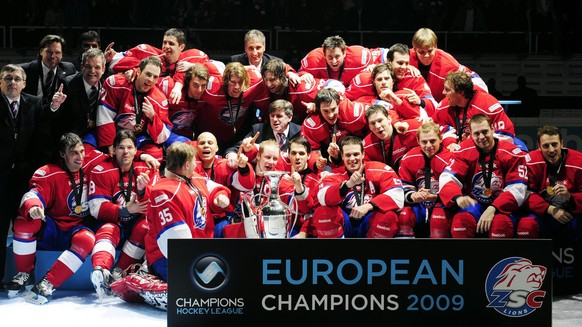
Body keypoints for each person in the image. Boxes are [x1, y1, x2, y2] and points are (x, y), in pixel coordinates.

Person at [108, 142, 230, 310]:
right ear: (186, 165)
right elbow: (175, 244)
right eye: (194, 161)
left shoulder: (194, 179)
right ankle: (141, 280)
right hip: (167, 257)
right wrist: (194, 268)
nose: (197, 165)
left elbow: (214, 187)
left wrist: (220, 196)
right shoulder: (164, 192)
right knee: (195, 292)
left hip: (198, 253)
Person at [6, 133, 101, 304]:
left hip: (76, 228)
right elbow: (33, 193)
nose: (80, 157)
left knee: (87, 240)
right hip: (53, 228)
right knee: (24, 222)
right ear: (63, 154)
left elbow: (121, 153)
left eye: (81, 151)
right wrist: (34, 205)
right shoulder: (48, 172)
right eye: (74, 153)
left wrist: (143, 155)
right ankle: (25, 274)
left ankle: (48, 282)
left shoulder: (92, 163)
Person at [87, 130, 158, 299]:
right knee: (109, 228)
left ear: (135, 150)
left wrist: (142, 191)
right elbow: (96, 208)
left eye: (129, 148)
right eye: (121, 148)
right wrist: (125, 210)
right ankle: (100, 270)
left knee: (146, 226)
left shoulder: (147, 169)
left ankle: (119, 272)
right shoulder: (101, 169)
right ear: (113, 150)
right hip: (112, 221)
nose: (125, 152)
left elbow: (153, 207)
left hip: (135, 222)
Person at [439, 114, 528, 238]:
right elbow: (448, 178)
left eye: (485, 131)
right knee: (461, 222)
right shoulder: (464, 150)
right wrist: (457, 197)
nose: (481, 137)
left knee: (500, 224)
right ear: (470, 134)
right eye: (476, 133)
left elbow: (517, 188)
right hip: (476, 204)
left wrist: (493, 208)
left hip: (501, 206)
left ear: (492, 129)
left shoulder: (511, 153)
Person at [0, 64, 44, 288]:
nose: (12, 82)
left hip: (26, 180)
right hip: (0, 179)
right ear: (0, 82)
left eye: (16, 78)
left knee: (26, 227)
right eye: (7, 78)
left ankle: (27, 275)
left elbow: (43, 136)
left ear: (24, 83)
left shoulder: (35, 103)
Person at [312, 136, 404, 238]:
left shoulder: (380, 169)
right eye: (348, 155)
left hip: (369, 220)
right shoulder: (335, 174)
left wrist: (368, 206)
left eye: (356, 154)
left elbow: (397, 195)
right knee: (322, 213)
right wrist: (348, 185)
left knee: (388, 217)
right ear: (342, 156)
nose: (352, 159)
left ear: (363, 154)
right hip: (345, 223)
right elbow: (322, 198)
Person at [107, 28, 209, 105]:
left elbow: (218, 68)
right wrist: (140, 67)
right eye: (164, 42)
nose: (166, 47)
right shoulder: (147, 51)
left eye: (171, 44)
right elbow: (113, 62)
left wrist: (193, 66)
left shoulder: (192, 57)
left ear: (181, 47)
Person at [97, 56, 171, 161]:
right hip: (116, 133)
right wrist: (110, 144)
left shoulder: (159, 100)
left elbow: (162, 137)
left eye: (155, 77)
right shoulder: (117, 84)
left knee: (155, 154)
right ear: (139, 71)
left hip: (138, 137)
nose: (150, 80)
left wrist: (153, 117)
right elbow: (104, 115)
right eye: (148, 74)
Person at [516, 126, 581, 239]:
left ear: (561, 143)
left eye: (554, 144)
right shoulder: (530, 162)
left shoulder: (579, 162)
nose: (551, 150)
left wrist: (570, 197)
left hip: (572, 213)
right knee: (526, 226)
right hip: (543, 213)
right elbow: (524, 193)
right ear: (539, 147)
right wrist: (549, 209)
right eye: (546, 146)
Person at [433, 71, 519, 148]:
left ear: (461, 92)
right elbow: (435, 129)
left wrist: (472, 141)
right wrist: (450, 143)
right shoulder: (445, 105)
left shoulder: (488, 104)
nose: (443, 92)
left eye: (447, 90)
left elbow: (507, 136)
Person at [195, 61, 269, 152]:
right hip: (207, 136)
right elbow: (204, 65)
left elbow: (275, 69)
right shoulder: (211, 90)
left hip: (235, 138)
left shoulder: (255, 83)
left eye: (240, 82)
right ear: (225, 82)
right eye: (232, 82)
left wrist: (289, 73)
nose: (237, 87)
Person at [193, 132, 255, 237]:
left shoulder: (224, 165)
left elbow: (247, 185)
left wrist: (243, 167)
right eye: (202, 143)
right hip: (197, 217)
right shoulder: (190, 166)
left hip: (222, 216)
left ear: (216, 148)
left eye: (210, 143)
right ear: (196, 148)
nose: (206, 145)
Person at [397, 122, 453, 238]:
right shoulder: (408, 158)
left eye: (432, 141)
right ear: (418, 141)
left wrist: (437, 197)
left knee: (439, 219)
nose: (428, 146)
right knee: (404, 215)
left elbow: (456, 189)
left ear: (441, 138)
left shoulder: (450, 158)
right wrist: (412, 195)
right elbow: (404, 184)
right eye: (424, 142)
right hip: (420, 205)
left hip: (442, 205)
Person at [409, 27, 487, 102]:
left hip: (442, 104)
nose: (426, 55)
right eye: (421, 52)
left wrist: (481, 99)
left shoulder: (448, 63)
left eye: (430, 51)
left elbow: (472, 78)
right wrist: (407, 67)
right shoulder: (404, 58)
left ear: (435, 47)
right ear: (414, 49)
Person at [52, 48, 106, 153]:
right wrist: (54, 105)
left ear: (103, 69)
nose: (92, 71)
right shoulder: (68, 84)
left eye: (97, 67)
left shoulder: (108, 85)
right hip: (71, 144)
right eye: (88, 66)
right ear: (81, 67)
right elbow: (55, 118)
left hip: (98, 142)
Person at [224, 99, 301, 171]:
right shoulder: (259, 129)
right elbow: (236, 148)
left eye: (279, 116)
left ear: (289, 117)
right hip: (263, 175)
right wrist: (232, 154)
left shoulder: (299, 132)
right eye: (272, 116)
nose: (274, 119)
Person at [301, 88, 367, 168]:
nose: (331, 115)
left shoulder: (352, 111)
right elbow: (309, 151)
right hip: (330, 162)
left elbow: (376, 114)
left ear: (339, 104)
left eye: (333, 109)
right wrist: (316, 163)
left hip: (361, 155)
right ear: (319, 109)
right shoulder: (312, 125)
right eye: (325, 111)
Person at [363, 104, 423, 171]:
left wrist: (428, 120)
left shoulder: (413, 128)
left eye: (380, 120)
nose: (377, 126)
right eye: (373, 123)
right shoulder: (367, 145)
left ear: (389, 119)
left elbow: (433, 129)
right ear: (369, 127)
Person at [19, 34, 77, 103]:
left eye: (57, 52)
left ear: (62, 54)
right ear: (41, 52)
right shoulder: (25, 70)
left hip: (57, 111)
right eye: (49, 52)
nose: (53, 56)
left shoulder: (69, 69)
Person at [300, 35, 373, 87]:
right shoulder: (313, 59)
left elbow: (381, 55)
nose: (334, 61)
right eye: (330, 57)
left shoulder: (359, 56)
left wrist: (374, 66)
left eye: (337, 57)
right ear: (324, 55)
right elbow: (299, 72)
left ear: (344, 53)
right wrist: (304, 74)